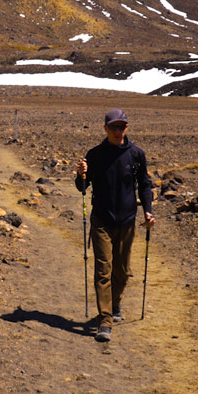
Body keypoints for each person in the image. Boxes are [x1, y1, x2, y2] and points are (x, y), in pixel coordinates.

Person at [75, 109, 155, 342]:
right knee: (103, 270)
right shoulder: (95, 155)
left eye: (122, 127)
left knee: (122, 271)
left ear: (127, 128)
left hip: (128, 220)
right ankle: (105, 320)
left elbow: (145, 185)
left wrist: (148, 209)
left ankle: (115, 301)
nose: (118, 131)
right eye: (113, 127)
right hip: (101, 219)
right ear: (105, 129)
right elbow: (82, 188)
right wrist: (80, 175)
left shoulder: (137, 155)